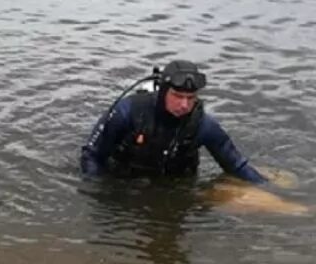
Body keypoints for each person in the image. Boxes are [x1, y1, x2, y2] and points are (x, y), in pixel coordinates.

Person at [80, 60, 267, 185]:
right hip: (124, 181)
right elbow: (92, 156)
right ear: (162, 92)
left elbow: (236, 166)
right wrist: (101, 194)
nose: (184, 105)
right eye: (177, 96)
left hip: (174, 184)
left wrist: (266, 188)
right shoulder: (127, 112)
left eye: (190, 97)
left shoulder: (204, 126)